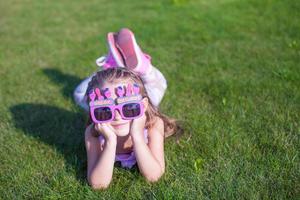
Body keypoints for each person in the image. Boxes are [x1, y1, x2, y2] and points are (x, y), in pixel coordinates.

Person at [74, 28, 178, 189]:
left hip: (143, 96)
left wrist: (137, 135)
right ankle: (115, 68)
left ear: (142, 107)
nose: (116, 116)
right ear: (93, 109)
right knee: (80, 94)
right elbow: (98, 183)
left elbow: (154, 175)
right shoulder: (93, 133)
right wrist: (110, 141)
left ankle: (143, 68)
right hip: (126, 92)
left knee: (157, 86)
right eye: (105, 110)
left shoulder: (153, 124)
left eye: (128, 107)